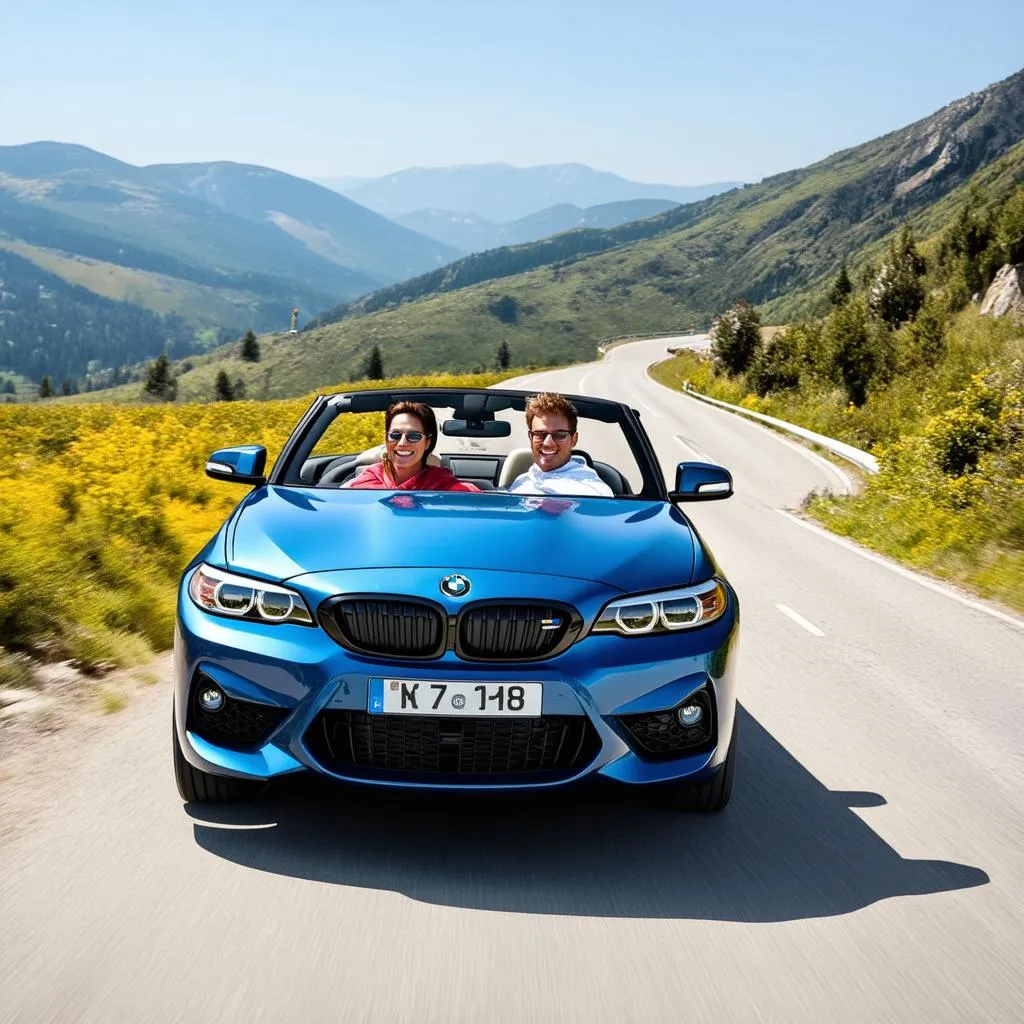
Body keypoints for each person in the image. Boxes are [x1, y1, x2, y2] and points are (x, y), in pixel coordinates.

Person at [348, 401, 480, 491]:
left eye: (414, 436)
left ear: (427, 442)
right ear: (386, 439)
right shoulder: (366, 480)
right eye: (395, 435)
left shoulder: (444, 485)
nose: (402, 443)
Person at [508, 392, 614, 496]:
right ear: (530, 437)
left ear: (574, 439)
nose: (547, 443)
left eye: (559, 435)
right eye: (540, 434)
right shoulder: (522, 480)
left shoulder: (591, 490)